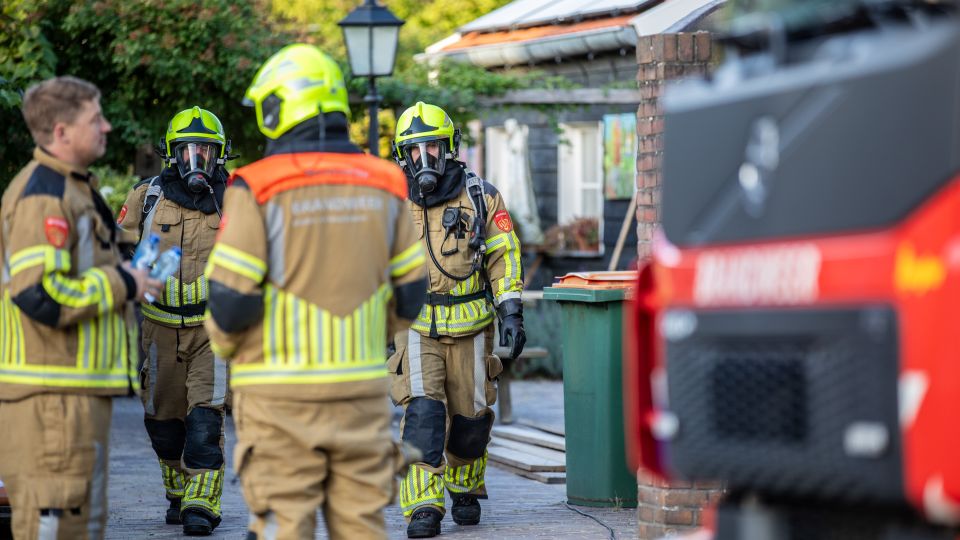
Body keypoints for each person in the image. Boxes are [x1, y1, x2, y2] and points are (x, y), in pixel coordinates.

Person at [204, 43, 428, 540]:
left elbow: (230, 303)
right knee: (363, 527)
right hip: (361, 396)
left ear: (281, 106)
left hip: (277, 399)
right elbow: (412, 294)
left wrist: (229, 348)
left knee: (283, 526)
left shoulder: (256, 186)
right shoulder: (386, 182)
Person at [0, 75, 159, 539]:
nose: (107, 127)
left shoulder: (73, 189)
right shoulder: (44, 195)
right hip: (51, 402)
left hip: (72, 398)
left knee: (80, 528)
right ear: (61, 131)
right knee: (55, 530)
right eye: (96, 118)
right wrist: (122, 282)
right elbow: (39, 294)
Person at [388, 101, 526, 538]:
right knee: (423, 415)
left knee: (471, 421)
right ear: (401, 155)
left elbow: (504, 254)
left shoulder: (481, 196)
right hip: (414, 328)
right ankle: (422, 505)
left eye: (432, 146)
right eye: (413, 149)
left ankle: (464, 486)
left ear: (449, 147)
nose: (423, 157)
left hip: (472, 328)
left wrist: (511, 310)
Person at [116, 106, 230, 535]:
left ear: (220, 154)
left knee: (205, 420)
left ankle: (202, 503)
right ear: (172, 153)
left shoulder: (236, 202)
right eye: (188, 150)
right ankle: (178, 489)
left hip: (211, 332)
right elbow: (119, 251)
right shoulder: (146, 197)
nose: (197, 159)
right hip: (157, 329)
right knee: (162, 423)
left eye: (206, 150)